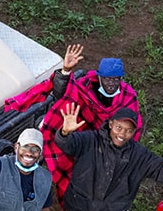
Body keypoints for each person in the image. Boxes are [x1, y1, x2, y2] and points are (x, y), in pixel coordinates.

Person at [40, 45, 143, 199]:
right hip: (83, 138)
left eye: (116, 79)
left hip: (109, 145)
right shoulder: (84, 87)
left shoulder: (128, 97)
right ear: (99, 76)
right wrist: (65, 72)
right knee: (72, 174)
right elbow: (62, 94)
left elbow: (133, 127)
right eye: (107, 78)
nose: (111, 84)